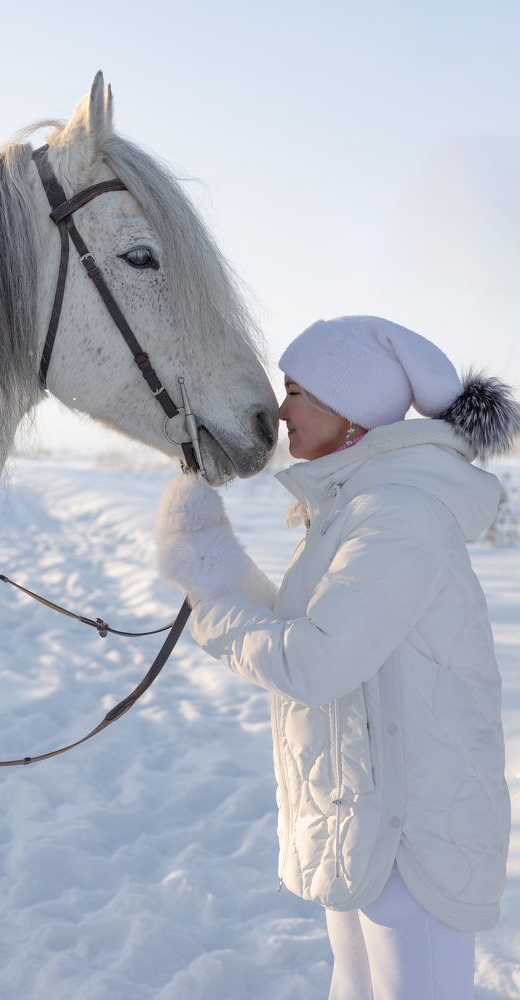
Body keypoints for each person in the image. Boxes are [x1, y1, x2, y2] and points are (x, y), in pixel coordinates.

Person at [154, 316, 519, 999]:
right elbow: (307, 632)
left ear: (349, 408)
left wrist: (215, 605)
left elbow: (316, 662)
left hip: (414, 838)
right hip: (367, 822)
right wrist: (215, 568)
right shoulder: (355, 510)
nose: (280, 409)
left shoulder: (398, 515)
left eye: (297, 390)